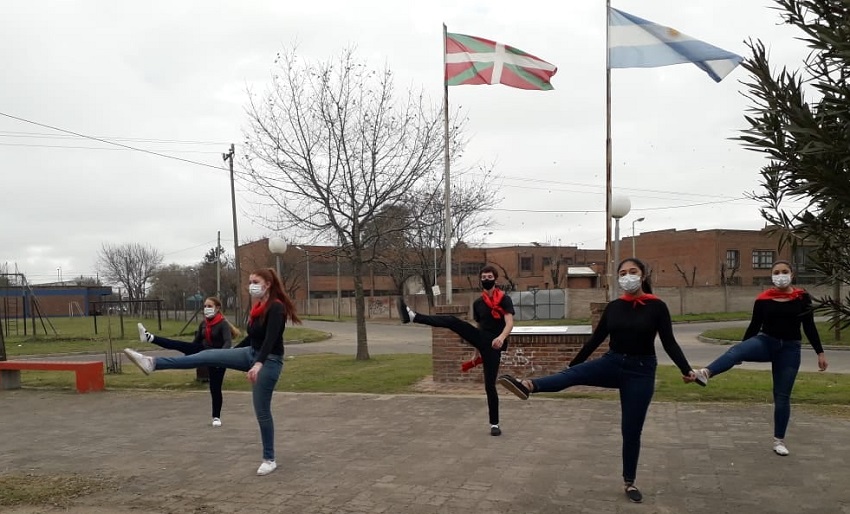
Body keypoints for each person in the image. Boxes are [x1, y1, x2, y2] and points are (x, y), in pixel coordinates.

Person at [497, 258, 701, 504]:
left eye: (633, 272)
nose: (628, 276)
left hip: (641, 371)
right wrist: (575, 364)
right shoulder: (614, 306)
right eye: (623, 273)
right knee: (570, 376)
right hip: (612, 363)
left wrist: (686, 369)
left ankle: (629, 482)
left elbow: (669, 342)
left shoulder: (657, 307)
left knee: (631, 430)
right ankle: (527, 385)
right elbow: (595, 340)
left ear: (643, 275)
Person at [124, 268, 301, 476]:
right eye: (250, 281)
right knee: (206, 356)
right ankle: (152, 363)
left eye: (255, 281)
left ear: (267, 284)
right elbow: (253, 339)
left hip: (269, 361)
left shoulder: (276, 308)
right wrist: (231, 355)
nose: (250, 285)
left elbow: (271, 340)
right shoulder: (258, 307)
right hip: (251, 353)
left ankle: (269, 459)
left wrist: (258, 364)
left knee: (262, 411)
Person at [689, 260, 828, 457]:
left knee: (782, 396)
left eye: (784, 271)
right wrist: (743, 348)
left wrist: (819, 352)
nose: (780, 275)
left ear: (792, 274)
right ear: (771, 276)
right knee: (735, 351)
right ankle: (705, 372)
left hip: (789, 349)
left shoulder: (802, 297)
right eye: (776, 272)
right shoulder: (763, 299)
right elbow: (754, 326)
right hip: (766, 342)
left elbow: (809, 327)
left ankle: (779, 440)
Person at [397, 264, 514, 437]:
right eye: (484, 278)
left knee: (490, 385)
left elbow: (509, 322)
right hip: (482, 340)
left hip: (495, 345)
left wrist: (501, 337)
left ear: (495, 279)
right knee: (452, 321)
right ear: (480, 280)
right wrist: (476, 350)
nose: (486, 280)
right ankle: (413, 316)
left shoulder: (504, 299)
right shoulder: (478, 303)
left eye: (490, 277)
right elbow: (479, 327)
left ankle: (494, 424)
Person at [137, 296, 238, 427]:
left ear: (217, 308)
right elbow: (195, 343)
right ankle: (150, 337)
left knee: (215, 387)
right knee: (179, 344)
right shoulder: (204, 324)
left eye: (209, 306)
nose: (206, 309)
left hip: (218, 356)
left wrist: (221, 357)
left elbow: (227, 343)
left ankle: (216, 417)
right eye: (205, 306)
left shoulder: (223, 324)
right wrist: (189, 353)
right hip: (203, 351)